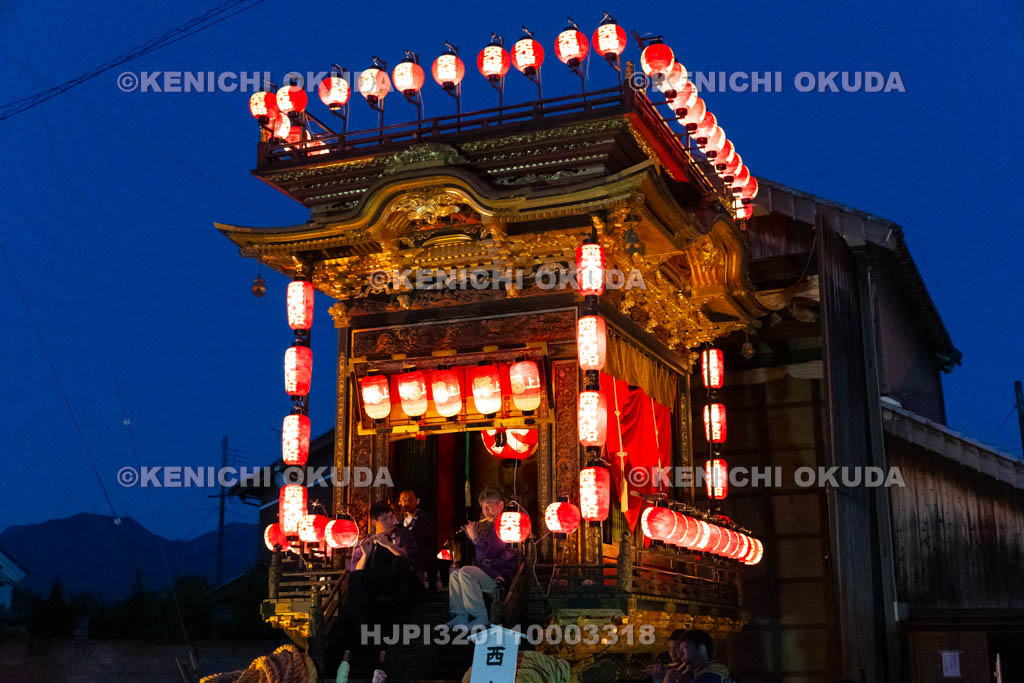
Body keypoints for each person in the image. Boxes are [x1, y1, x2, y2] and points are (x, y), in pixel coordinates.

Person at [445, 488, 520, 628]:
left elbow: (491, 553)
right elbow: (481, 556)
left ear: (501, 505)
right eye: (484, 506)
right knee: (455, 574)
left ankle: (480, 616)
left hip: (500, 576)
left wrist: (476, 538)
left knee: (466, 572)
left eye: (490, 504)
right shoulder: (488, 526)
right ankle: (460, 615)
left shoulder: (506, 524)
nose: (486, 509)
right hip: (489, 573)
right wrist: (473, 538)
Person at [340, 501, 419, 622]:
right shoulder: (366, 540)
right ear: (374, 522)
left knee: (399, 561)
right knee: (354, 577)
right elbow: (356, 570)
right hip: (376, 580)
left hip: (397, 579)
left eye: (391, 517)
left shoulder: (403, 534)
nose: (390, 521)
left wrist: (387, 544)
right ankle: (360, 621)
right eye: (384, 519)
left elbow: (409, 557)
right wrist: (365, 555)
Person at [398, 489, 436, 589]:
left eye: (410, 500)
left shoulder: (424, 518)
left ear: (417, 501)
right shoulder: (400, 520)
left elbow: (423, 539)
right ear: (400, 502)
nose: (407, 503)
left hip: (420, 557)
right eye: (404, 500)